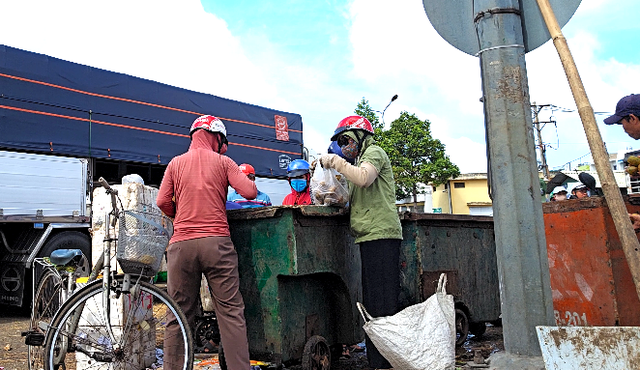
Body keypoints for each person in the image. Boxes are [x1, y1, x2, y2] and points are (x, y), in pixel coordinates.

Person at [156, 115, 256, 370]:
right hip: (217, 244)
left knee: (177, 314)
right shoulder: (223, 161)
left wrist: (180, 217)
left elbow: (161, 201)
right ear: (218, 138)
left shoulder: (175, 163)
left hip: (182, 246)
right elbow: (249, 192)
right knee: (231, 313)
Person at [319, 115, 402, 370]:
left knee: (383, 303)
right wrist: (331, 195)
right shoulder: (359, 162)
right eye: (341, 143)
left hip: (382, 236)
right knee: (374, 303)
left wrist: (335, 161)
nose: (345, 147)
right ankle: (378, 360)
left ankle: (385, 362)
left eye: (347, 140)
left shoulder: (374, 152)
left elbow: (364, 178)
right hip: (369, 236)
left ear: (360, 136)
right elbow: (352, 195)